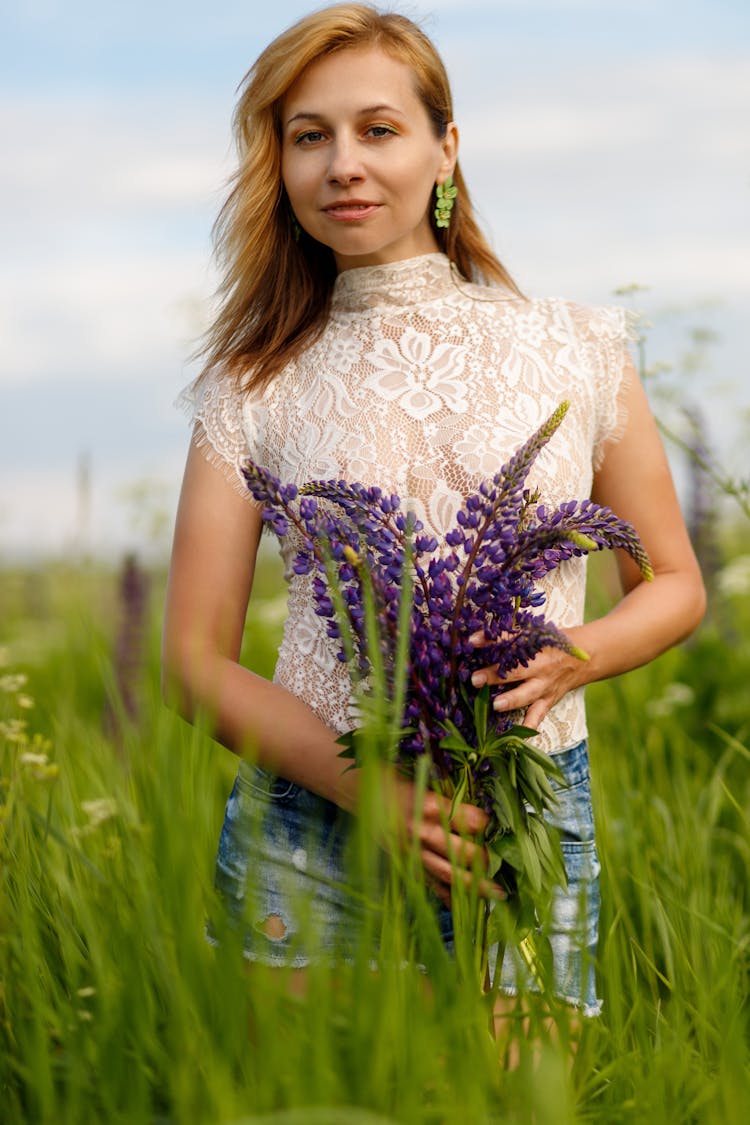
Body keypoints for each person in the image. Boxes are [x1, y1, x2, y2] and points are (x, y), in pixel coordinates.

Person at [162, 2, 705, 1036]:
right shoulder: (251, 383)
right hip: (309, 820)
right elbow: (194, 657)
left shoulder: (578, 347)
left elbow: (674, 582)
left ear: (445, 147)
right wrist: (370, 793)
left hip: (526, 807)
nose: (343, 165)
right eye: (308, 136)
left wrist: (576, 655)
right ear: (279, 168)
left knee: (518, 1101)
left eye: (378, 129)